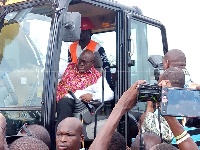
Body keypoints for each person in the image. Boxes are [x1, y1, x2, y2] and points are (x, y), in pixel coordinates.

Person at [56, 50, 114, 125]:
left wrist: (93, 96)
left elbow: (110, 94)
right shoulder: (69, 67)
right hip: (56, 99)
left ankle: (60, 133)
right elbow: (51, 74)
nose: (81, 64)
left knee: (64, 103)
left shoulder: (97, 77)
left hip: (74, 103)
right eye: (80, 61)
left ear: (92, 63)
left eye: (84, 62)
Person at [67, 17, 114, 91]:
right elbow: (69, 67)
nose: (81, 34)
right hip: (75, 81)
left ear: (90, 32)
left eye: (84, 31)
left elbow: (106, 68)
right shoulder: (71, 47)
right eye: (80, 31)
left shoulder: (97, 48)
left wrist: (108, 86)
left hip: (92, 83)